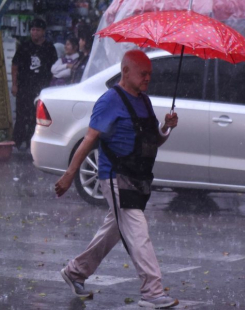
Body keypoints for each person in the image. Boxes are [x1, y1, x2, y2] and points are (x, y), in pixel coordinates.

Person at [55, 50, 180, 309]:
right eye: (143, 73)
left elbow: (153, 140)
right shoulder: (110, 100)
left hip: (138, 177)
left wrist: (166, 127)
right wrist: (69, 175)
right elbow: (89, 139)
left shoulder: (144, 101)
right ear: (125, 72)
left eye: (150, 74)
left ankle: (75, 271)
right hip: (115, 176)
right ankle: (153, 291)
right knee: (137, 231)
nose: (148, 78)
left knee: (113, 230)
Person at [11, 18, 57, 150]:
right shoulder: (24, 46)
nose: (34, 33)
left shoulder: (49, 48)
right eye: (32, 30)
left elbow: (55, 68)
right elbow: (15, 65)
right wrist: (14, 84)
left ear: (43, 32)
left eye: (37, 30)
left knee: (36, 116)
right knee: (21, 115)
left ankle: (33, 142)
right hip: (24, 86)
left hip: (41, 88)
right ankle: (17, 141)